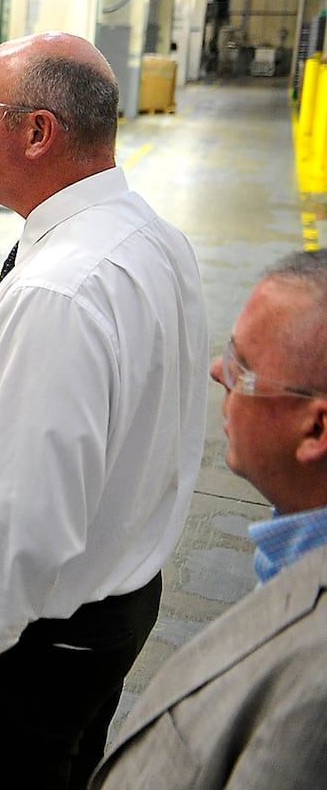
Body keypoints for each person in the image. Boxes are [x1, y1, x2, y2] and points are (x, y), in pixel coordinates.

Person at [0, 31, 207, 790]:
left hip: (19, 646)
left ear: (37, 132)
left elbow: (17, 518)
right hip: (112, 604)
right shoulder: (152, 239)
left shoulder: (60, 291)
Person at [90, 251, 327, 789]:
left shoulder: (316, 689)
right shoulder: (293, 548)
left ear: (316, 431)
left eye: (244, 368)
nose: (219, 371)